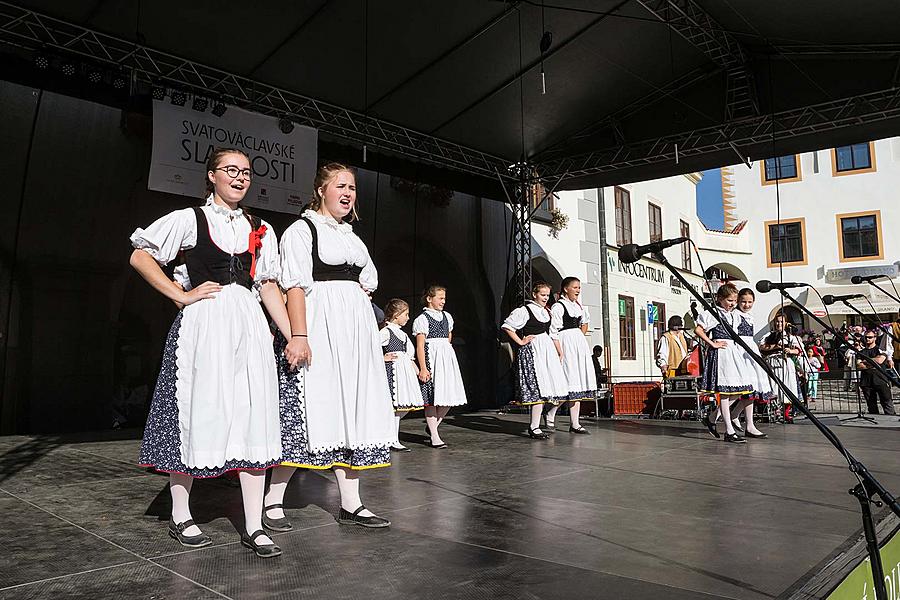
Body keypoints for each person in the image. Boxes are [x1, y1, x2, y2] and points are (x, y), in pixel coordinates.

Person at [130, 148, 283, 557]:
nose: (239, 177)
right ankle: (181, 514)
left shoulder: (260, 226)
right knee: (196, 411)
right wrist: (179, 295)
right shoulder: (189, 219)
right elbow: (140, 255)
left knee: (253, 415)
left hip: (248, 326)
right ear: (212, 176)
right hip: (204, 325)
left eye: (246, 172)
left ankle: (253, 524)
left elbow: (267, 284)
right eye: (230, 170)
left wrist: (295, 334)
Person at [267, 163, 395, 530]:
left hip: (354, 336)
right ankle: (274, 499)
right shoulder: (302, 230)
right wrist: (299, 336)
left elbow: (367, 283)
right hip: (319, 330)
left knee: (350, 413)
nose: (348, 193)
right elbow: (294, 287)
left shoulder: (353, 237)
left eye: (352, 187)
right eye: (341, 186)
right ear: (321, 190)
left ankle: (351, 504)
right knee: (311, 410)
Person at [502, 281, 569, 439]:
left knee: (553, 388)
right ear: (534, 294)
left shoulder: (546, 312)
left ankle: (537, 424)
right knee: (538, 388)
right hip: (533, 351)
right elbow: (507, 326)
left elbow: (553, 333)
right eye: (542, 295)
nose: (546, 298)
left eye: (547, 295)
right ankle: (534, 427)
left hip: (546, 351)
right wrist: (520, 341)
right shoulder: (525, 310)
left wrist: (559, 352)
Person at [695, 282, 754, 443]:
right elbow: (698, 330)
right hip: (722, 354)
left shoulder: (734, 314)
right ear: (720, 299)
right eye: (729, 301)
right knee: (725, 392)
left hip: (733, 353)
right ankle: (728, 430)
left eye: (734, 301)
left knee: (740, 389)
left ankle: (713, 417)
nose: (732, 304)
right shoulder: (713, 313)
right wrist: (712, 343)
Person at [413, 285, 468, 449]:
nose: (443, 301)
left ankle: (432, 427)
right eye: (440, 298)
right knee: (431, 398)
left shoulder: (447, 317)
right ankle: (435, 436)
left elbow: (448, 338)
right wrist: (423, 368)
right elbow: (420, 346)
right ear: (429, 299)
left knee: (448, 395)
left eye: (444, 298)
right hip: (431, 357)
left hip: (445, 358)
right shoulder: (422, 319)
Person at [546, 276, 596, 434]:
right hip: (565, 345)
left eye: (579, 287)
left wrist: (578, 336)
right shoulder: (558, 307)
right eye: (575, 287)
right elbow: (553, 332)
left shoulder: (578, 306)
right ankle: (550, 413)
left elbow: (585, 323)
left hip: (577, 346)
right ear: (566, 289)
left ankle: (575, 423)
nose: (578, 290)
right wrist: (560, 350)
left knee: (578, 384)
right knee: (567, 383)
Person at [380, 299, 426, 452]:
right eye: (405, 314)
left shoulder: (402, 334)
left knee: (403, 406)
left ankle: (391, 437)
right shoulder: (386, 332)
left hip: (404, 373)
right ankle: (392, 439)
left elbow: (409, 356)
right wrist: (383, 358)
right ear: (396, 314)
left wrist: (419, 371)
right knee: (395, 406)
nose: (407, 318)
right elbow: (371, 348)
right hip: (392, 372)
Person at [730, 288, 770, 438]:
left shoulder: (749, 316)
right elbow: (733, 335)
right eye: (743, 302)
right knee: (747, 388)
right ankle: (724, 416)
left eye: (750, 302)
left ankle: (747, 422)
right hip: (741, 351)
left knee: (752, 389)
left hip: (750, 351)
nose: (746, 305)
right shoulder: (735, 315)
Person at [760, 315, 805, 423]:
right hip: (772, 363)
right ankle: (775, 412)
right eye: (777, 322)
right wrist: (776, 347)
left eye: (781, 322)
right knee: (774, 388)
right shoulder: (768, 335)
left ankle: (786, 414)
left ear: (786, 323)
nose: (779, 324)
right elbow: (762, 347)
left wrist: (790, 350)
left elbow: (799, 350)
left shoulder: (791, 337)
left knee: (788, 387)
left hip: (786, 363)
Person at [857, 329, 897, 415]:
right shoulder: (861, 352)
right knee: (871, 406)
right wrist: (873, 363)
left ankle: (891, 421)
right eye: (866, 337)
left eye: (870, 337)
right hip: (866, 382)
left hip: (881, 380)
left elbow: (880, 360)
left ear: (875, 338)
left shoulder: (880, 349)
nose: (868, 339)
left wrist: (866, 361)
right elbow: (859, 366)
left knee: (887, 403)